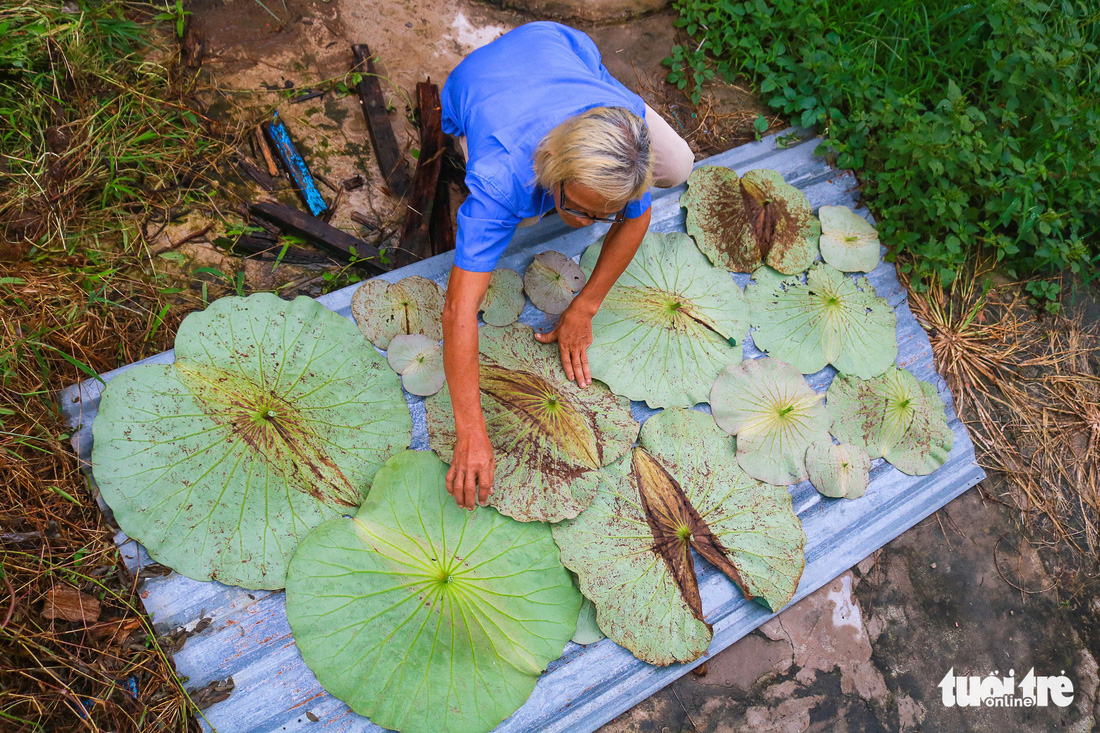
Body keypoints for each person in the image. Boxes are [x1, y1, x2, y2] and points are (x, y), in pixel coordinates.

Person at [439, 21, 694, 510]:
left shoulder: (624, 147)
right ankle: (502, 76)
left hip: (558, 45)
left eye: (605, 214)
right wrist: (471, 430)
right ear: (553, 166)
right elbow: (458, 311)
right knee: (520, 207)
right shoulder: (501, 180)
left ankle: (540, 70)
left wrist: (585, 306)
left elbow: (637, 221)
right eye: (577, 206)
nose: (589, 223)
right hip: (478, 81)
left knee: (679, 165)